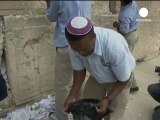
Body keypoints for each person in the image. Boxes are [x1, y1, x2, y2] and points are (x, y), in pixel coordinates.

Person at [64, 16, 135, 120]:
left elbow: (123, 79)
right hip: (97, 76)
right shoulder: (75, 46)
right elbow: (79, 71)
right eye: (76, 50)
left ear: (94, 37)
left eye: (84, 48)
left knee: (114, 115)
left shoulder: (114, 48)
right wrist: (72, 95)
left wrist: (107, 99)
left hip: (119, 80)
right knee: (88, 109)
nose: (81, 53)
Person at [46, 1, 91, 120]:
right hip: (86, 42)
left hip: (67, 42)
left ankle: (61, 116)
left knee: (62, 84)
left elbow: (51, 16)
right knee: (79, 78)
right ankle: (78, 111)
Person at [113, 0, 140, 92]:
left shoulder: (125, 14)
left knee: (127, 61)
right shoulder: (132, 2)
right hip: (134, 32)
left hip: (128, 36)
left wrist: (117, 25)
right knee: (128, 59)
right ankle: (133, 85)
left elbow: (124, 31)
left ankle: (131, 85)